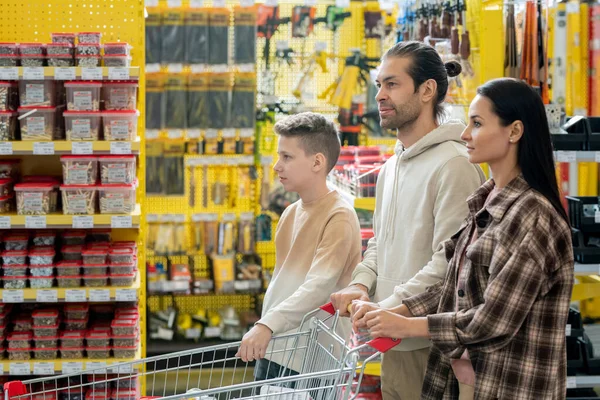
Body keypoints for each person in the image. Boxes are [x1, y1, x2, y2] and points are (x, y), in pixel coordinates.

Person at [354, 78, 574, 399]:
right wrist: (396, 312)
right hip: (468, 382)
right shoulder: (484, 201)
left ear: (514, 131)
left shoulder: (532, 216)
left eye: (477, 123)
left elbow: (493, 320)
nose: (465, 134)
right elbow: (454, 286)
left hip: (512, 387)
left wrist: (408, 326)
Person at [330, 41, 485, 399]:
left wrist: (386, 309)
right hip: (391, 340)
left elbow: (449, 264)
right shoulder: (391, 166)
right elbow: (379, 243)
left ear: (427, 90)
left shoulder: (454, 164)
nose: (380, 96)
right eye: (379, 85)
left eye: (392, 84)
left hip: (429, 344)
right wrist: (361, 285)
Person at [236, 112, 362, 382]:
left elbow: (320, 286)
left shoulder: (338, 216)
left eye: (287, 157)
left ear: (317, 162)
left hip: (311, 359)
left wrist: (268, 323)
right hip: (274, 348)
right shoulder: (291, 213)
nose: (276, 166)